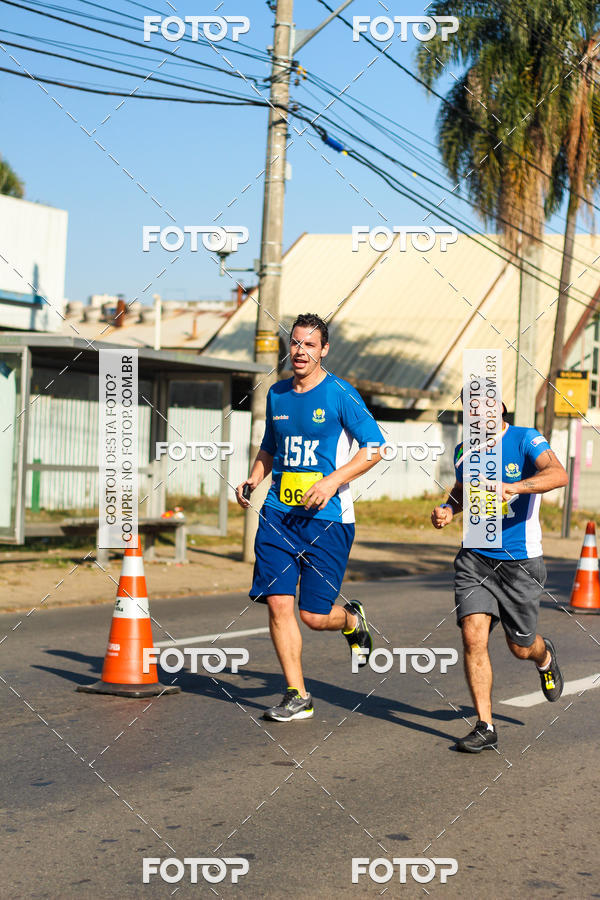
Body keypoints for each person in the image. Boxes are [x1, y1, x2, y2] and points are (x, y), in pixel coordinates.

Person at [236, 313, 383, 722]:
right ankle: (297, 695)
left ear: (324, 350)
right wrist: (253, 478)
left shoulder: (341, 393)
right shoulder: (278, 395)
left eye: (309, 345)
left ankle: (350, 619)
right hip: (278, 517)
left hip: (328, 521)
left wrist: (333, 481)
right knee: (279, 603)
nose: (300, 352)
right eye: (295, 343)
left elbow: (374, 448)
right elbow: (270, 446)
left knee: (315, 616)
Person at [431, 396, 568, 752]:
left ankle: (545, 656)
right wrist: (448, 509)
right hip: (475, 557)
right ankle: (485, 725)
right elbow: (462, 491)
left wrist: (516, 487)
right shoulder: (464, 450)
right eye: (470, 408)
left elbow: (558, 475)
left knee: (520, 648)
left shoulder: (525, 438)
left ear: (501, 407)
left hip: (519, 562)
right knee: (473, 636)